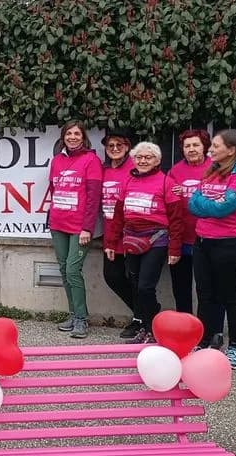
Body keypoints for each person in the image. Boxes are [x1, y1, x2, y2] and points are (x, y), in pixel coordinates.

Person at [188, 129, 236, 369]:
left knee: (229, 297)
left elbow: (222, 209)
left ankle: (235, 347)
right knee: (205, 295)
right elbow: (192, 204)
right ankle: (205, 340)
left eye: (216, 146)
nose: (211, 150)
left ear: (231, 150)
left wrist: (206, 204)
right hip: (202, 242)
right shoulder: (212, 171)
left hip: (228, 244)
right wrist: (209, 204)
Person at [104, 142, 185, 344]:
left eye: (148, 157)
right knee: (135, 284)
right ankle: (144, 326)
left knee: (145, 287)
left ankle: (153, 329)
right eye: (139, 157)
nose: (142, 161)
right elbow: (117, 216)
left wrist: (174, 249)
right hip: (132, 239)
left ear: (157, 161)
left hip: (156, 241)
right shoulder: (127, 181)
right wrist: (111, 243)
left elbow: (176, 219)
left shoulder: (166, 182)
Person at [47, 121, 103, 338]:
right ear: (63, 137)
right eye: (68, 133)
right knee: (64, 270)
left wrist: (88, 228)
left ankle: (81, 318)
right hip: (58, 224)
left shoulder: (91, 160)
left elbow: (93, 198)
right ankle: (73, 314)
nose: (72, 137)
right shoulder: (57, 160)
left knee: (72, 270)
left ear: (83, 137)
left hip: (80, 227)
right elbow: (54, 189)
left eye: (77, 133)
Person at [100, 128, 140, 338]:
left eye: (119, 145)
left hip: (133, 233)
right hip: (110, 232)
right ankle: (146, 312)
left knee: (136, 279)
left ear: (127, 147)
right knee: (112, 276)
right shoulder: (103, 170)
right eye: (110, 146)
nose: (115, 149)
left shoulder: (135, 168)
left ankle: (140, 319)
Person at [167, 129, 213, 315]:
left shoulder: (216, 168)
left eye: (196, 145)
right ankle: (184, 324)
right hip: (181, 238)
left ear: (205, 147)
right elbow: (167, 200)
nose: (191, 149)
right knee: (181, 287)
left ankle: (205, 326)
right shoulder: (175, 171)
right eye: (187, 146)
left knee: (206, 288)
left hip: (207, 238)